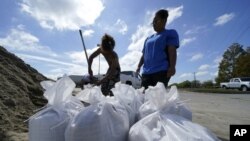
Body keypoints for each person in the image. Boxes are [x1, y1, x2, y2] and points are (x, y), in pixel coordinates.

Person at [136, 9, 179, 89]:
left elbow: (172, 50)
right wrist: (138, 66)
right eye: (153, 22)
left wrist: (172, 67)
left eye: (156, 21)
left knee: (158, 98)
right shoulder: (148, 38)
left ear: (164, 21)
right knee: (145, 96)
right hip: (146, 73)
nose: (154, 24)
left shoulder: (170, 33)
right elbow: (144, 55)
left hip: (161, 71)